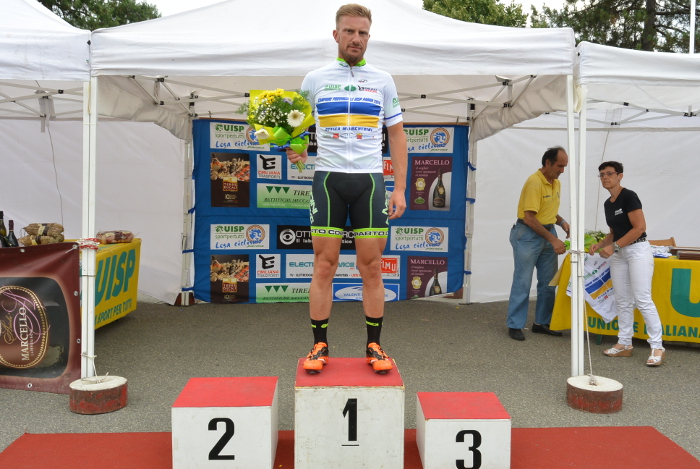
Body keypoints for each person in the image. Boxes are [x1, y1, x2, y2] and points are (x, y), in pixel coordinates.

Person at [286, 4, 408, 374]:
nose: (356, 38)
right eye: (350, 31)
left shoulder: (383, 80)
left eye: (363, 33)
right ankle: (318, 345)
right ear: (336, 34)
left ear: (369, 36)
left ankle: (375, 345)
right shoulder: (314, 79)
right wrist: (296, 147)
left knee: (371, 267)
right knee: (324, 265)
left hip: (370, 181)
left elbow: (397, 136)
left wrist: (400, 188)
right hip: (329, 180)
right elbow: (295, 129)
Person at [589, 161, 665, 366]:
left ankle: (657, 346)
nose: (605, 177)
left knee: (642, 299)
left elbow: (639, 228)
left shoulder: (629, 196)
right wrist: (601, 244)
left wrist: (613, 246)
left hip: (637, 250)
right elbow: (614, 232)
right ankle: (624, 343)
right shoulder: (608, 203)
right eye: (601, 174)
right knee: (622, 300)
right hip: (619, 253)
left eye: (609, 173)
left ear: (620, 176)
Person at [507, 147, 570, 341]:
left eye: (564, 167)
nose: (562, 171)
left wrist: (562, 222)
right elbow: (529, 218)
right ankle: (515, 325)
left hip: (547, 231)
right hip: (527, 234)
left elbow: (548, 209)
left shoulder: (556, 182)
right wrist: (553, 240)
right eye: (560, 166)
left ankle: (542, 322)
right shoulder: (534, 182)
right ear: (548, 163)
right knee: (523, 281)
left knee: (548, 282)